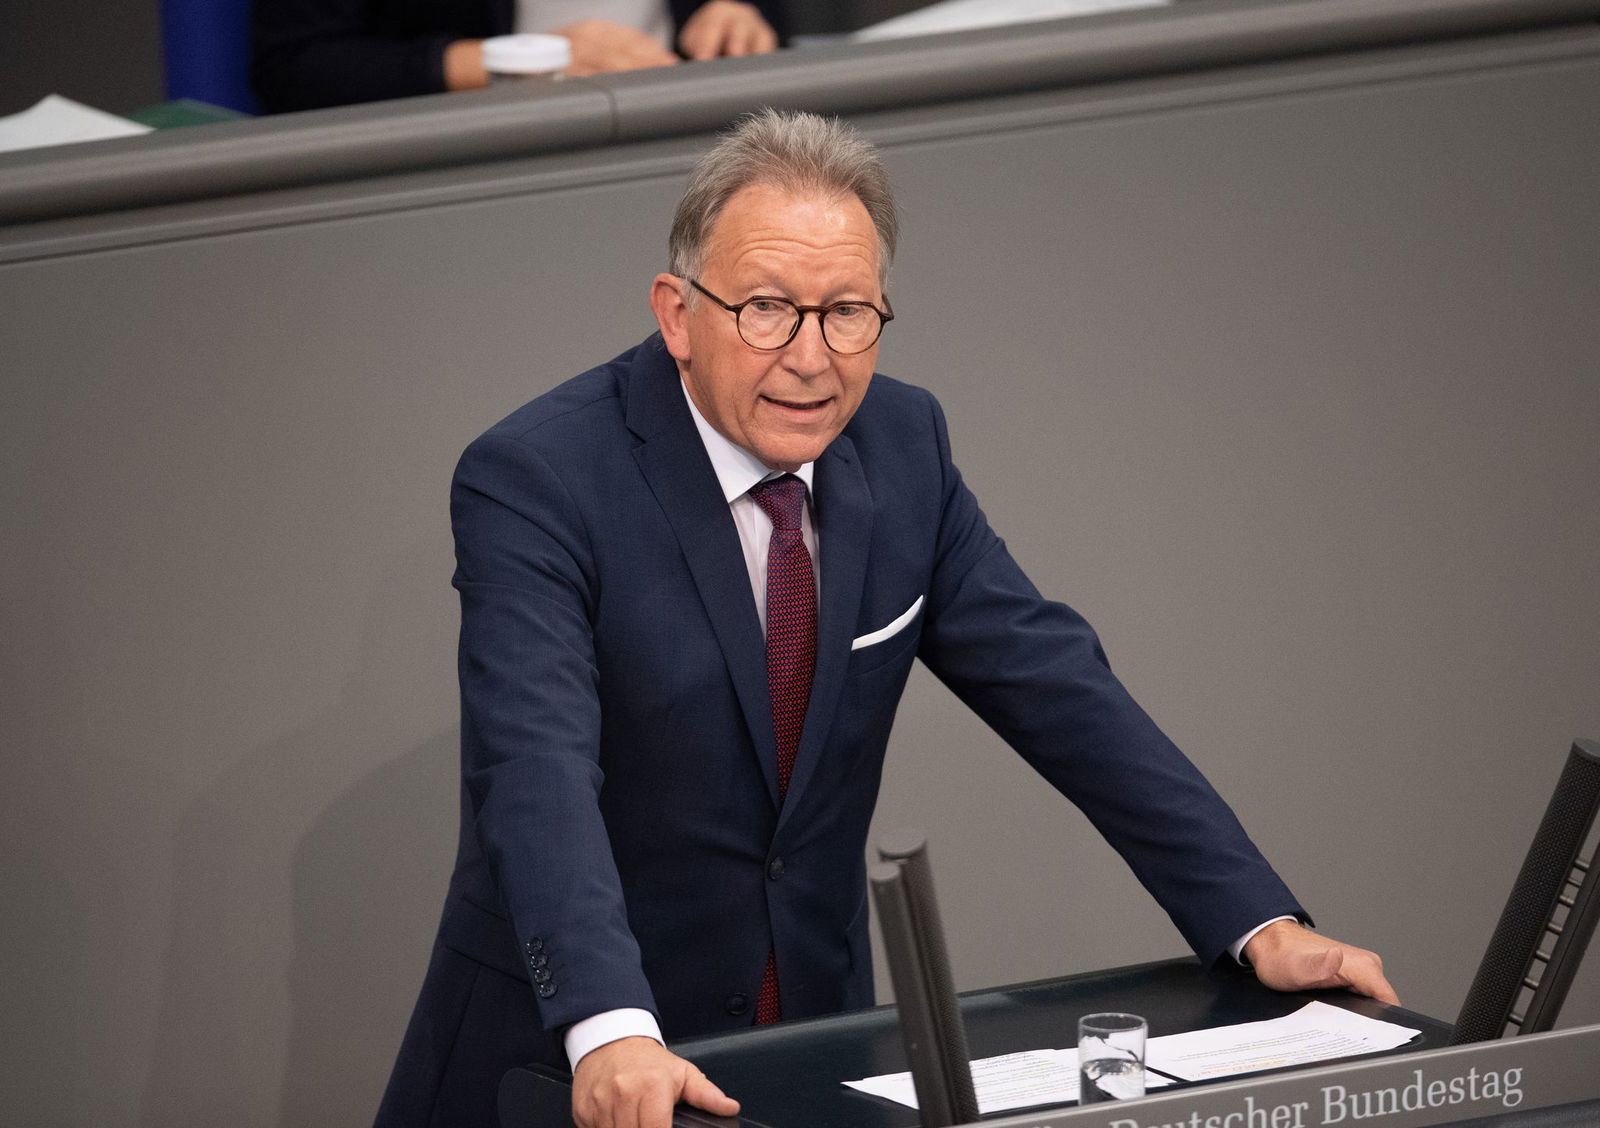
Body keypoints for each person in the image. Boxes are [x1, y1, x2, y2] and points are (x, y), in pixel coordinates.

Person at [376, 108, 1398, 1128]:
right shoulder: (538, 478)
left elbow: (1059, 687)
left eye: (848, 312)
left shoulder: (903, 446)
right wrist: (609, 1022)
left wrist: (1255, 920)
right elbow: (534, 769)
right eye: (767, 308)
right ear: (677, 314)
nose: (812, 359)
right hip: (569, 1062)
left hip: (807, 1045)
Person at [252, 0, 785, 114]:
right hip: (474, 149)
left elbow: (764, 13)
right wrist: (516, 61)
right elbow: (296, 66)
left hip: (682, 121)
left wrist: (739, 10)